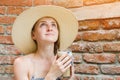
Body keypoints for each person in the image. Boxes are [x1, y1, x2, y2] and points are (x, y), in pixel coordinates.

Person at [12, 5, 78, 80]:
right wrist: (52, 75)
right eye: (43, 24)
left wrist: (71, 78)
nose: (50, 28)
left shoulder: (62, 61)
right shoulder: (21, 63)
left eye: (53, 25)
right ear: (33, 35)